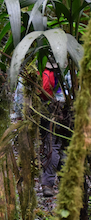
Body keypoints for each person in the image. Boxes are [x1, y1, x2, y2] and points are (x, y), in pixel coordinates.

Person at [39, 62, 71, 197]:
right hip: (67, 110)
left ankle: (48, 184)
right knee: (64, 146)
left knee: (53, 146)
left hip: (50, 109)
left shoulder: (45, 71)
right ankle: (64, 184)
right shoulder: (69, 73)